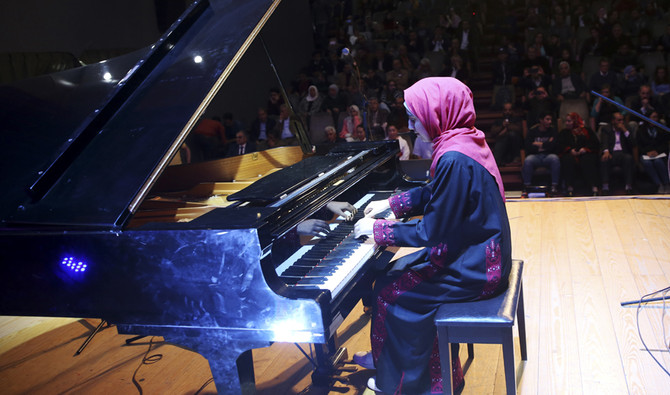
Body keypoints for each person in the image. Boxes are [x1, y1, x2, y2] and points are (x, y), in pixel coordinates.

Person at [352, 77, 511, 395]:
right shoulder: (464, 139)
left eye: (414, 116)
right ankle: (388, 357)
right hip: (479, 250)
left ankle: (402, 382)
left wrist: (379, 230)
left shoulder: (452, 157)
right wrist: (392, 203)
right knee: (388, 273)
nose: (410, 125)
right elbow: (439, 194)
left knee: (391, 293)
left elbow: (431, 230)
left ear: (438, 112)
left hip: (477, 266)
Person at [558, 112, 600, 196]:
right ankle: (569, 186)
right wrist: (570, 150)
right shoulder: (564, 132)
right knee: (567, 160)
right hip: (570, 154)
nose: (567, 123)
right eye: (566, 121)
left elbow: (595, 143)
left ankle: (593, 186)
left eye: (569, 121)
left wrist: (585, 149)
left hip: (585, 153)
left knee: (588, 159)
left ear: (575, 121)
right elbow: (560, 145)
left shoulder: (586, 131)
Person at [522, 112, 561, 194]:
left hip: (548, 156)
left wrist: (540, 145)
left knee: (555, 159)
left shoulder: (553, 131)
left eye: (550, 119)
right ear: (541, 120)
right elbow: (528, 146)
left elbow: (554, 146)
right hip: (535, 156)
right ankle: (527, 187)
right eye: (547, 119)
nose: (550, 122)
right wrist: (546, 145)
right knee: (528, 160)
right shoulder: (532, 131)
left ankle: (554, 186)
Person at [600, 112, 636, 195]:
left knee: (628, 158)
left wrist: (625, 131)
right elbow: (604, 141)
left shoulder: (626, 128)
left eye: (622, 120)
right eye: (619, 120)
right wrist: (606, 151)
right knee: (605, 159)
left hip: (623, 153)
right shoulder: (606, 128)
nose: (621, 122)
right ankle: (605, 187)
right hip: (611, 153)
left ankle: (628, 186)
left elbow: (633, 143)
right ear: (613, 121)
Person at [636, 111, 670, 193]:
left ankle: (667, 184)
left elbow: (665, 144)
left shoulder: (662, 128)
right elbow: (639, 145)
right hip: (645, 154)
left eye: (656, 117)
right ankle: (659, 184)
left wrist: (657, 151)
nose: (655, 119)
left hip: (659, 153)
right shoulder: (641, 129)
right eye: (653, 117)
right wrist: (647, 152)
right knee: (647, 163)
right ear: (648, 118)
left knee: (658, 161)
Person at [490, 102, 523, 166]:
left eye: (509, 110)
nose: (507, 112)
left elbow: (519, 129)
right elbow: (493, 131)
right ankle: (497, 161)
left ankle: (515, 158)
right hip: (502, 144)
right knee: (502, 139)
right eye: (505, 110)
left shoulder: (516, 119)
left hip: (514, 145)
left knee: (511, 134)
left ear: (513, 111)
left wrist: (507, 127)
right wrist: (502, 126)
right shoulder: (499, 121)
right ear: (503, 111)